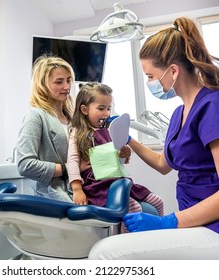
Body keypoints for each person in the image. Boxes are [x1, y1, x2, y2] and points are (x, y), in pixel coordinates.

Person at [89, 17, 219, 259]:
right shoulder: (179, 113)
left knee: (106, 254)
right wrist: (127, 138)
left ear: (173, 70)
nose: (149, 83)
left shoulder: (216, 106)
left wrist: (168, 222)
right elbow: (163, 164)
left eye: (151, 76)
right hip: (205, 224)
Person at [67, 82, 164, 233]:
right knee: (135, 208)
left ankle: (161, 237)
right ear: (84, 109)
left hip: (118, 180)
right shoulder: (78, 133)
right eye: (101, 108)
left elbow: (118, 160)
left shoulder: (110, 131)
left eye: (108, 108)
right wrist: (77, 188)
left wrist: (124, 155)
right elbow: (72, 161)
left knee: (157, 201)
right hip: (99, 186)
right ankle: (123, 244)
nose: (106, 113)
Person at [15, 54, 74, 202]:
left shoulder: (72, 117)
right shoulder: (36, 116)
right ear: (42, 84)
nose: (66, 87)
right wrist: (68, 169)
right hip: (55, 193)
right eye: (59, 82)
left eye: (68, 80)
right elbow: (25, 165)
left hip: (80, 189)